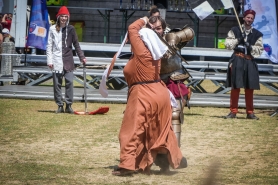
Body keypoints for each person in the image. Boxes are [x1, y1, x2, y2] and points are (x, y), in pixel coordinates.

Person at [112, 16, 186, 176]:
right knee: (158, 131)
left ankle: (127, 165)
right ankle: (168, 161)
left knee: (131, 131)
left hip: (144, 93)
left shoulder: (144, 49)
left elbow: (132, 29)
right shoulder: (157, 49)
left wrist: (144, 19)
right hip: (159, 93)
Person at [224, 9, 264, 120]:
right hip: (238, 59)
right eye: (248, 17)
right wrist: (238, 40)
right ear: (244, 18)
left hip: (250, 60)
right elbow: (227, 44)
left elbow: (260, 50)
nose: (249, 20)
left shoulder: (257, 34)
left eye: (251, 18)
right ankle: (233, 112)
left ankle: (250, 112)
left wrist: (250, 47)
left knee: (250, 87)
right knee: (235, 86)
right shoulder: (234, 30)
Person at [46, 6, 86, 114]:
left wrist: (82, 57)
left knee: (69, 83)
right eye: (62, 16)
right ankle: (59, 105)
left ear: (68, 17)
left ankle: (69, 105)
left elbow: (76, 45)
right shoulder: (52, 29)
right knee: (57, 85)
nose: (64, 18)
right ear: (58, 17)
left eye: (65, 16)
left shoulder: (71, 29)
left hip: (68, 60)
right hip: (56, 60)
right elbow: (49, 46)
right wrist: (49, 61)